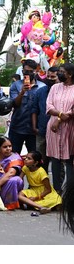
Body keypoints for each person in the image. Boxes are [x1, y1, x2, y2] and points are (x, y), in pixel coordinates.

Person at [46, 62, 74, 194]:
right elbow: (49, 106)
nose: (59, 74)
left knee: (69, 160)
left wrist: (60, 118)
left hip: (70, 128)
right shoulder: (55, 88)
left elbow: (72, 111)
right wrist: (59, 116)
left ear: (70, 74)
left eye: (62, 71)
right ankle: (56, 191)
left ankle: (70, 193)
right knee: (55, 159)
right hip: (53, 129)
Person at [8, 59, 46, 154]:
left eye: (30, 71)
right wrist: (22, 92)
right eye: (25, 71)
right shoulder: (16, 85)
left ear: (36, 71)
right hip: (17, 127)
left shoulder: (42, 87)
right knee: (13, 156)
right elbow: (15, 104)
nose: (28, 73)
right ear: (22, 71)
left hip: (34, 129)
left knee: (34, 158)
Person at [31, 66, 59, 172]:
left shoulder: (63, 92)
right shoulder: (40, 91)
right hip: (41, 131)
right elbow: (34, 110)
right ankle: (40, 184)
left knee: (57, 161)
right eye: (48, 76)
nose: (50, 79)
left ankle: (57, 187)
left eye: (53, 77)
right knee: (40, 160)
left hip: (57, 132)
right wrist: (34, 127)